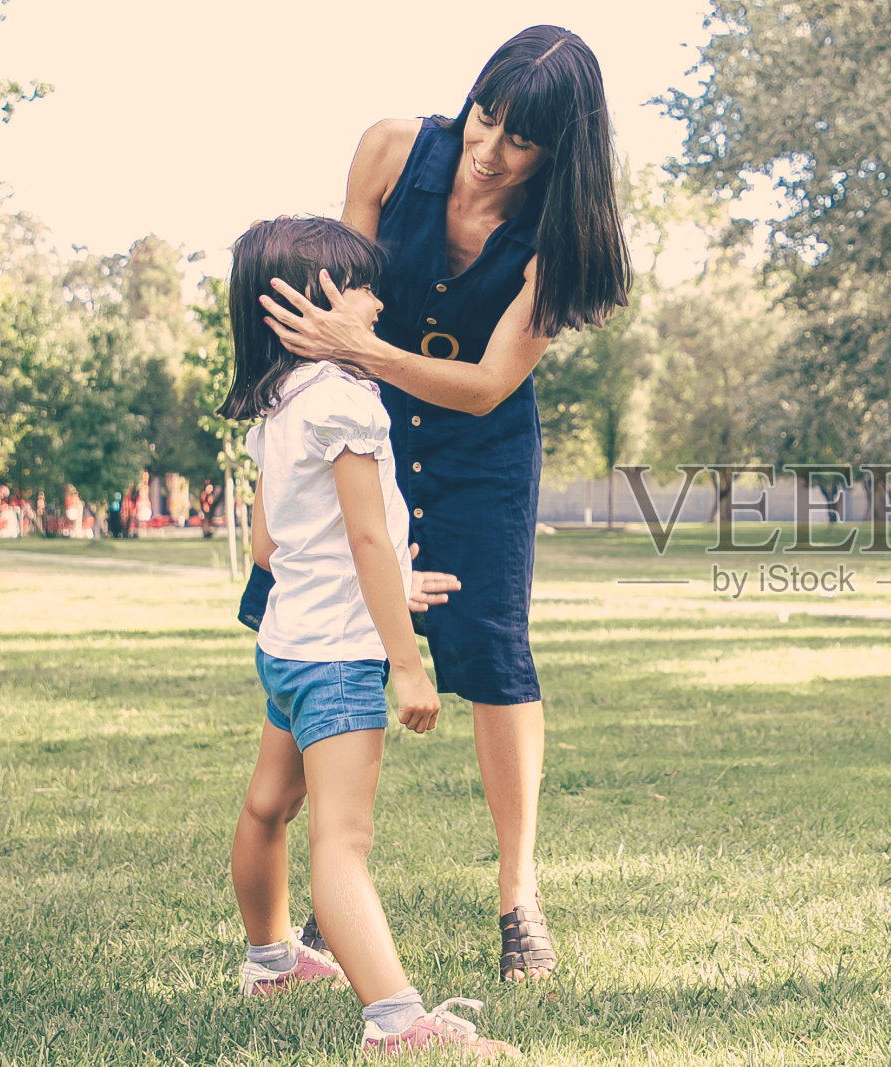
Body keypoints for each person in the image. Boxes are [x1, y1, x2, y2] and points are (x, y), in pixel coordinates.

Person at [255, 25, 631, 981]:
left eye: (520, 139)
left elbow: (486, 384)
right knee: (323, 629)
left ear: (562, 151)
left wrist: (362, 352)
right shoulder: (390, 150)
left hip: (479, 450)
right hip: (361, 430)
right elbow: (335, 298)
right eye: (485, 115)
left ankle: (519, 897)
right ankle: (313, 907)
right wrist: (285, 464)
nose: (488, 147)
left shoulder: (564, 236)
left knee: (497, 657)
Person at [220, 216, 515, 1057]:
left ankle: (271, 960)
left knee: (267, 807)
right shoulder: (346, 399)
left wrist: (389, 580)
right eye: (361, 285)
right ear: (317, 302)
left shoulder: (276, 403)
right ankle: (397, 1022)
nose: (379, 299)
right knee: (343, 842)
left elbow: (277, 549)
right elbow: (367, 540)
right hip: (340, 660)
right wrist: (409, 665)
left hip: (286, 647)